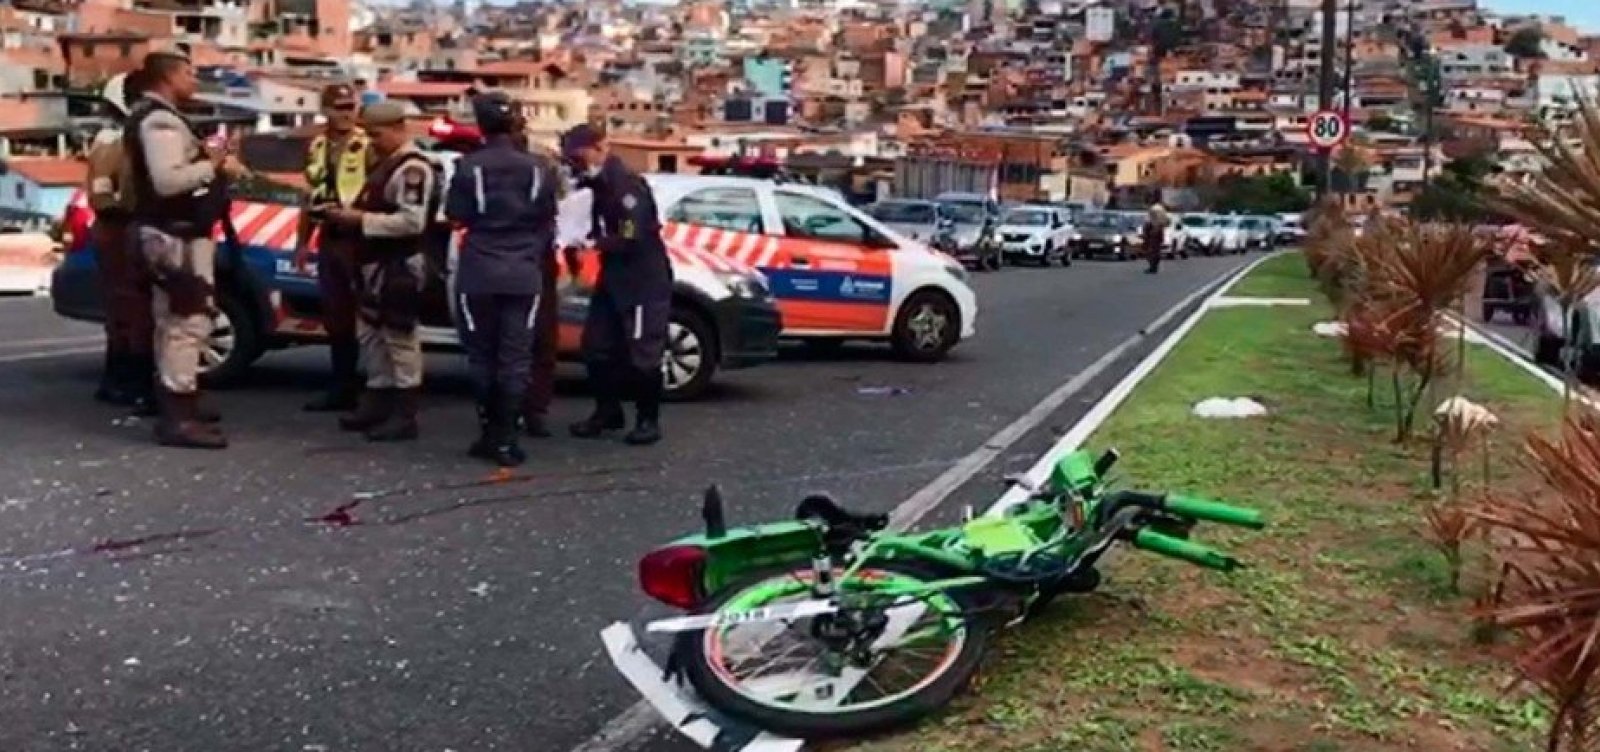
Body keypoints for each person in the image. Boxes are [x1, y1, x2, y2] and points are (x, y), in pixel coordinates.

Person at [123, 46, 247, 449]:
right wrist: (212, 164)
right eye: (189, 73)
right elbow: (167, 181)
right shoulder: (160, 121)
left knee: (175, 321)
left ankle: (179, 403)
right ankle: (179, 416)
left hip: (170, 232)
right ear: (168, 77)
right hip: (172, 234)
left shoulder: (160, 118)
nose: (195, 81)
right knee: (186, 323)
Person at [444, 90, 562, 466]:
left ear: (479, 125)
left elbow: (455, 215)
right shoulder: (539, 169)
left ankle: (488, 433)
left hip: (478, 270)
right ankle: (508, 439)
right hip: (524, 273)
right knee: (515, 355)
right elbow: (548, 218)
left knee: (481, 355)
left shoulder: (468, 167)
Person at [322, 101, 438, 442]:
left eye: (377, 134)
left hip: (399, 264)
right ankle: (378, 399)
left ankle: (406, 413)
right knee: (372, 335)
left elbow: (411, 220)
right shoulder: (386, 164)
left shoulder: (412, 169)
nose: (372, 142)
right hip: (374, 263)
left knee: (400, 339)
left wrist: (359, 220)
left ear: (398, 128)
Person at [559, 124, 672, 446]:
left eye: (579, 158)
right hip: (613, 278)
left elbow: (629, 234)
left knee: (643, 353)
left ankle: (648, 420)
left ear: (598, 148)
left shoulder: (626, 187)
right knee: (596, 347)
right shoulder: (596, 185)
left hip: (641, 280)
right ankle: (607, 412)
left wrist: (592, 242)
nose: (577, 165)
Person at [296, 83, 372, 413]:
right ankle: (343, 386)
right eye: (339, 107)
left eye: (350, 106)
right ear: (325, 110)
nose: (346, 113)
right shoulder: (317, 146)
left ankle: (374, 388)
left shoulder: (367, 146)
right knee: (336, 315)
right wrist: (302, 242)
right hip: (331, 236)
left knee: (368, 313)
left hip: (361, 237)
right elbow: (309, 196)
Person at [85, 70, 156, 416]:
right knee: (131, 310)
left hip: (121, 229)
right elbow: (102, 195)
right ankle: (129, 382)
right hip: (118, 230)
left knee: (126, 310)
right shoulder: (112, 141)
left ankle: (120, 380)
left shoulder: (123, 137)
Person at [517, 126, 569, 439]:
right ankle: (529, 410)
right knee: (532, 341)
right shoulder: (537, 164)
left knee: (537, 341)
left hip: (532, 260)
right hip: (528, 260)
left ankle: (530, 410)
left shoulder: (541, 163)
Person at [1143, 203, 1170, 275]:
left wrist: (1152, 230)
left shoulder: (1154, 209)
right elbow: (1166, 221)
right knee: (1155, 250)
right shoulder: (1161, 209)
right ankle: (1154, 266)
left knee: (1152, 250)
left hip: (1154, 231)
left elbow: (1149, 221)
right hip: (1158, 231)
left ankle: (1153, 266)